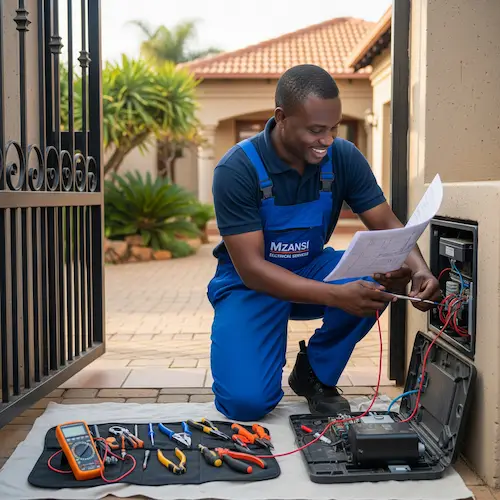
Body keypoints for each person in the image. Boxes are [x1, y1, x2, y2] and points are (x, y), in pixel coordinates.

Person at [207, 64, 440, 422]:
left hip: (312, 268)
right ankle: (259, 351)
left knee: (382, 274)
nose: (327, 140)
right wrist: (336, 296)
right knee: (246, 404)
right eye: (316, 130)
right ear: (281, 118)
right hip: (248, 285)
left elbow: (388, 226)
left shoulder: (342, 156)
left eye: (333, 128)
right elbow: (252, 270)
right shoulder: (237, 169)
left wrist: (420, 270)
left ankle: (315, 372)